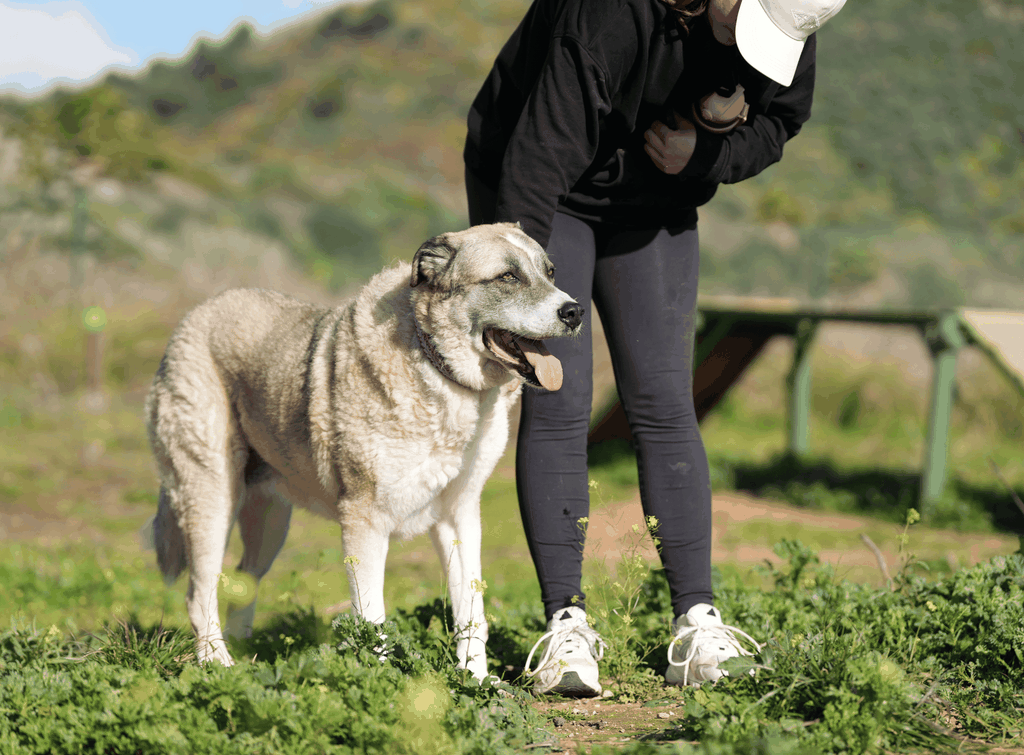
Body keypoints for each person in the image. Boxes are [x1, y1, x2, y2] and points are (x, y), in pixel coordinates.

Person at [463, 0, 848, 696]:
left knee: (665, 397)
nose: (752, 47)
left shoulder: (795, 12)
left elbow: (781, 122)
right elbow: (538, 152)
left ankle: (696, 625)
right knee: (560, 396)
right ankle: (565, 629)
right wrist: (512, 286)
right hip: (544, 187)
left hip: (656, 196)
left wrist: (708, 152)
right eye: (747, 26)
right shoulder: (613, 13)